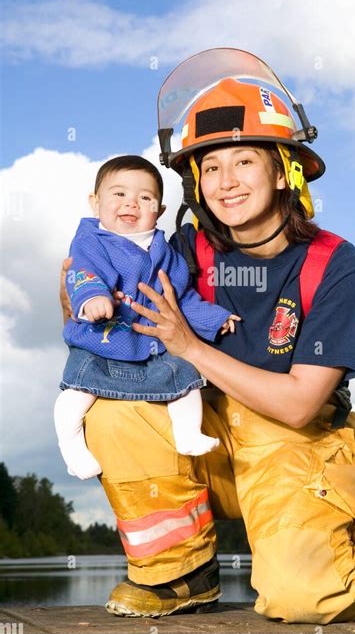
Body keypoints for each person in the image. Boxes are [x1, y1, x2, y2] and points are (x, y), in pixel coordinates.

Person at [59, 49, 355, 624]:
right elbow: (92, 295)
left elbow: (301, 402)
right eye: (210, 167)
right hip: (208, 432)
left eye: (244, 162)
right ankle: (181, 574)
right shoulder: (184, 250)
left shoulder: (338, 266)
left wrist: (190, 346)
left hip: (296, 442)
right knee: (112, 412)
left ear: (286, 169)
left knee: (304, 597)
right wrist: (83, 284)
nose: (225, 182)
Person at [55, 154, 241, 479]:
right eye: (119, 194)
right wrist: (93, 297)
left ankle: (187, 434)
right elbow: (82, 273)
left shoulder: (165, 252)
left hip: (149, 345)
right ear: (95, 203)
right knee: (77, 392)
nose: (131, 204)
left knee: (185, 379)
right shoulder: (90, 241)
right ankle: (71, 447)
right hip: (103, 340)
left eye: (145, 197)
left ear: (160, 210)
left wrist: (213, 318)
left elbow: (180, 297)